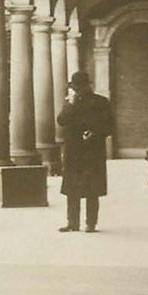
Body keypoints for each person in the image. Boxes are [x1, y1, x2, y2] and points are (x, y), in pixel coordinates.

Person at [56, 71, 113, 232]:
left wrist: (94, 133)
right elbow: (61, 121)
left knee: (91, 189)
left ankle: (89, 223)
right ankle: (74, 223)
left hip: (91, 151)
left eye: (78, 87)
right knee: (73, 189)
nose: (78, 90)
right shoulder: (71, 103)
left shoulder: (101, 102)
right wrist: (70, 105)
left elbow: (109, 126)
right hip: (74, 151)